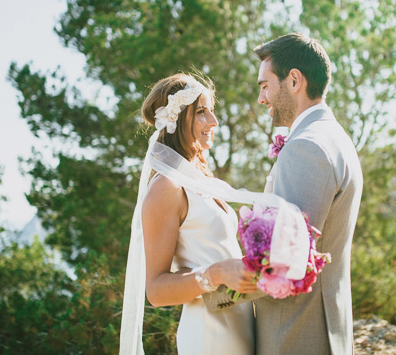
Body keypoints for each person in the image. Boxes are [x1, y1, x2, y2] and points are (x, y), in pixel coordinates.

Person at [119, 73, 258, 355]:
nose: (214, 122)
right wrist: (217, 273)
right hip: (210, 333)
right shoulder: (166, 188)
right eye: (202, 112)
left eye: (212, 111)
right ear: (178, 119)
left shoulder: (201, 178)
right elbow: (156, 290)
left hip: (240, 322)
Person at [255, 33, 363, 354]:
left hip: (294, 335)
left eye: (265, 86)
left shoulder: (306, 146)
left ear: (294, 80)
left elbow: (286, 262)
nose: (262, 99)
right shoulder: (335, 138)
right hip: (323, 328)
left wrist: (213, 286)